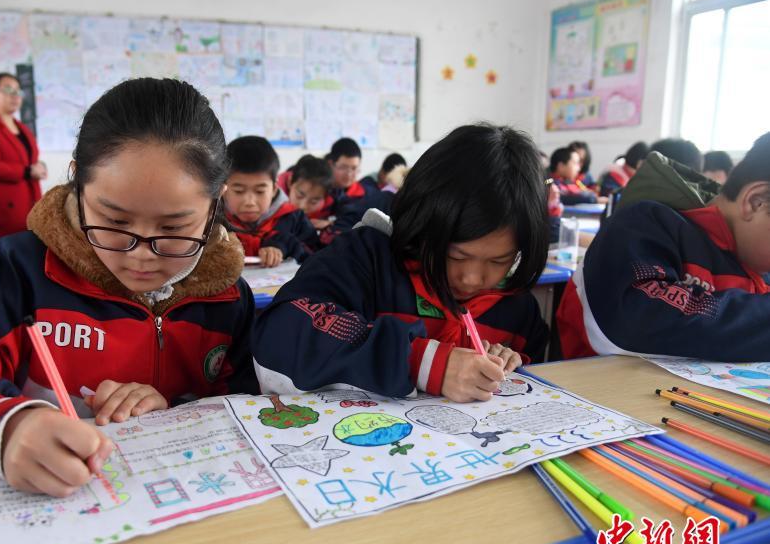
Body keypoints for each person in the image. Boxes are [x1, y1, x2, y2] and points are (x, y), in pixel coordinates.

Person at [0, 78, 259, 497]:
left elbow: (251, 414)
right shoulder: (17, 276)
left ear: (215, 202)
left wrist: (174, 413)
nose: (141, 255)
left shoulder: (227, 299)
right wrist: (1, 430)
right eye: (114, 222)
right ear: (78, 180)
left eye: (174, 228)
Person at [252, 123, 550, 401]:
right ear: (422, 222)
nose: (472, 278)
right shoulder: (367, 261)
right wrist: (420, 362)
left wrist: (509, 365)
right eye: (456, 255)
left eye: (499, 260)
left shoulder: (516, 306)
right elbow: (281, 331)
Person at [556, 132, 770, 361]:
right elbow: (635, 322)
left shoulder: (755, 260)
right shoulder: (644, 224)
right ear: (755, 201)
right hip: (599, 392)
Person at [0, 73, 47, 242]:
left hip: (30, 202)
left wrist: (40, 167)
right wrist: (28, 171)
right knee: (9, 258)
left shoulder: (22, 128)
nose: (14, 95)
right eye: (7, 89)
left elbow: (28, 159)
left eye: (18, 91)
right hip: (4, 209)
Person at [222, 136, 316, 266]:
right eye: (239, 191)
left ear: (273, 189)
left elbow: (316, 259)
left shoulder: (294, 219)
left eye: (260, 191)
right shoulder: (212, 222)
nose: (250, 202)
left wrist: (286, 245)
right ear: (224, 188)